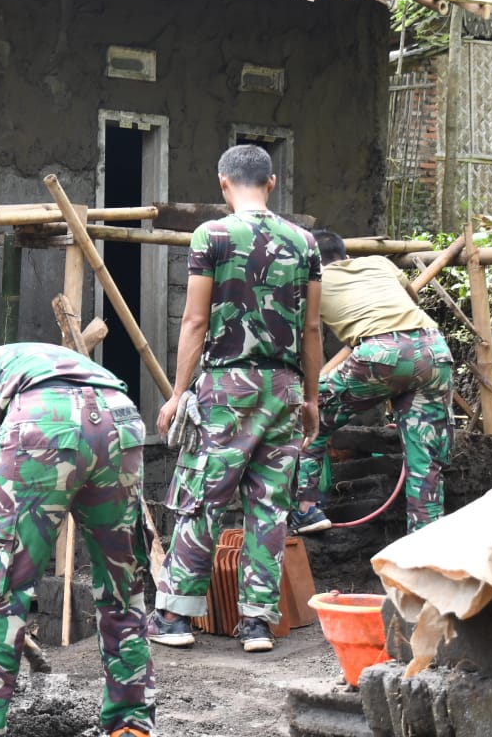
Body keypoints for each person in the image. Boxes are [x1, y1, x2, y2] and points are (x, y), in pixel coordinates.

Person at [0, 340, 155, 737]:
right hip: (121, 414)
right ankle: (131, 726)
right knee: (122, 586)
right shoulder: (6, 364)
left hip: (43, 417)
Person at [148, 144, 322, 654]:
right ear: (271, 183)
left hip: (227, 388)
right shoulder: (305, 242)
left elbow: (195, 320)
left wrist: (179, 393)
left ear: (223, 182)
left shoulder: (213, 235)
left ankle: (175, 618)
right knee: (269, 508)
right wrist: (311, 400)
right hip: (285, 389)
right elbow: (312, 328)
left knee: (203, 498)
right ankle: (257, 625)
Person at [292, 230, 453, 534]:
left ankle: (306, 509)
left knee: (312, 420)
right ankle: (427, 540)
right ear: (346, 255)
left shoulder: (311, 280)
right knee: (424, 458)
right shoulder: (379, 262)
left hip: (381, 353)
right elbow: (413, 299)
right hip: (434, 350)